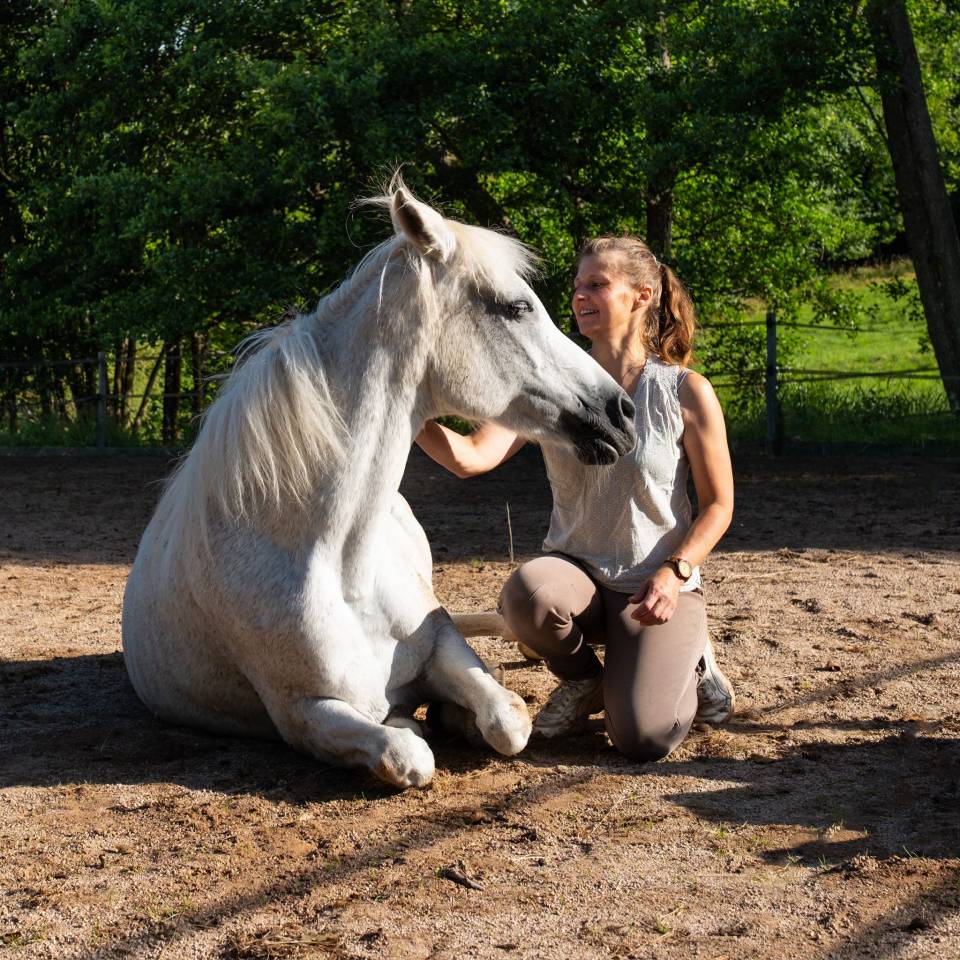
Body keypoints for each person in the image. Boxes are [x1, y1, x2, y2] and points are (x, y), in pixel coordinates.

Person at [415, 235, 735, 762]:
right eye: (577, 285)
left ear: (643, 295)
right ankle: (584, 680)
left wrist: (675, 572)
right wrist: (413, 407)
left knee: (642, 740)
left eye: (597, 284)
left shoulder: (685, 391)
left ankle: (696, 663)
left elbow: (719, 505)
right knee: (527, 595)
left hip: (654, 587)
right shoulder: (548, 384)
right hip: (576, 577)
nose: (580, 295)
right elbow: (470, 457)